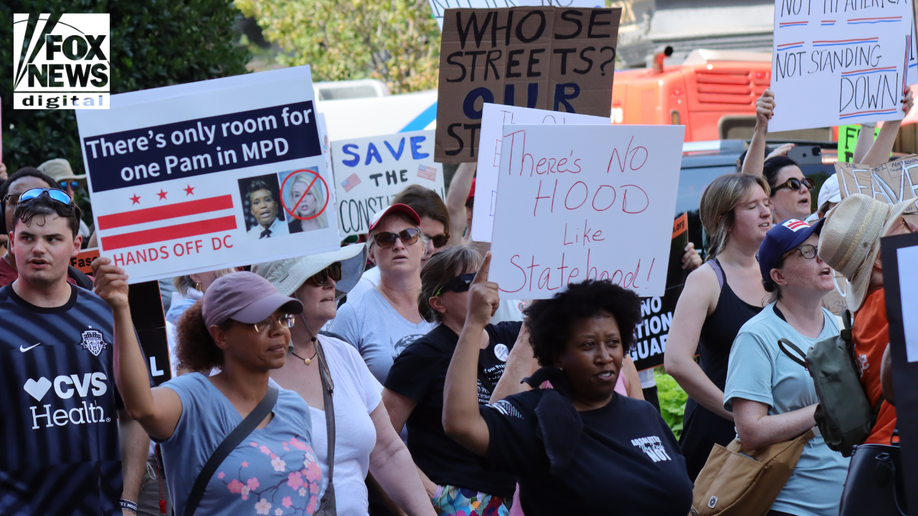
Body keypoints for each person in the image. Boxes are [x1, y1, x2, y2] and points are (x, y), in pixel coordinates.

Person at [442, 260, 693, 516]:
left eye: (613, 342)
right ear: (558, 356)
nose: (604, 356)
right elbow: (461, 424)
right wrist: (474, 324)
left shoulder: (645, 414)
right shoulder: (537, 417)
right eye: (588, 345)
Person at [91, 265, 324, 516]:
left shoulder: (293, 406)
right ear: (220, 336)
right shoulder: (192, 397)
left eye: (282, 318)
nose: (279, 330)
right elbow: (140, 407)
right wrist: (121, 310)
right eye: (261, 322)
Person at [253, 245, 435, 516]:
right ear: (286, 293)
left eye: (334, 271)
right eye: (318, 275)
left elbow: (388, 452)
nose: (331, 282)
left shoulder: (343, 354)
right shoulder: (247, 371)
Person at [0, 188, 148, 515]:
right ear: (12, 242)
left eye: (53, 239)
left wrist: (127, 502)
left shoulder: (109, 312)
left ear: (76, 245)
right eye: (27, 238)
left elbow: (134, 414)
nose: (38, 248)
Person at [724, 218, 850, 516]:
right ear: (778, 276)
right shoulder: (757, 335)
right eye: (807, 252)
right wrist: (824, 408)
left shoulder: (842, 326)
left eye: (822, 249)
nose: (821, 258)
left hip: (850, 499)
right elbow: (750, 431)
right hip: (790, 506)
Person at [382, 246, 521, 515]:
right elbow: (380, 437)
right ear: (438, 303)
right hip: (461, 496)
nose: (483, 288)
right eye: (470, 282)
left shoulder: (513, 337)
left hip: (517, 492)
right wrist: (435, 495)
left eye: (487, 278)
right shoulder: (422, 354)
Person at [663, 173, 772, 481]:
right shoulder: (706, 279)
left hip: (774, 431)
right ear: (723, 220)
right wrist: (737, 413)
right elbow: (676, 361)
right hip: (718, 437)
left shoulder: (776, 272)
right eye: (752, 206)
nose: (766, 212)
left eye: (766, 203)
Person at [818, 194, 918, 446]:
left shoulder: (864, 314)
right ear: (881, 259)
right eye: (902, 224)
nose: (914, 227)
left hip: (890, 451)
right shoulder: (903, 300)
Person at [329, 204, 437, 384]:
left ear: (423, 247)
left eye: (408, 235)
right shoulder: (352, 315)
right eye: (386, 239)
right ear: (371, 254)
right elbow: (338, 386)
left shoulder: (445, 303)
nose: (398, 245)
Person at [349, 186, 451, 301]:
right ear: (371, 253)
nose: (431, 247)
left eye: (439, 240)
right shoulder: (367, 284)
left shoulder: (452, 282)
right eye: (409, 236)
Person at [0, 168, 94, 288]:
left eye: (41, 200)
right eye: (16, 200)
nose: (28, 208)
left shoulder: (91, 288)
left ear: (75, 245)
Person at [37, 158, 93, 243]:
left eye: (73, 185)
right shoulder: (36, 224)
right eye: (63, 185)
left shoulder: (80, 225)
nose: (70, 191)